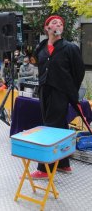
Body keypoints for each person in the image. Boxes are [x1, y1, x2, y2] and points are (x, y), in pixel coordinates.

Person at [29, 15, 85, 179]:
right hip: (45, 90)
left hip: (60, 92)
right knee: (59, 126)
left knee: (49, 127)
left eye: (60, 23)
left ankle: (44, 169)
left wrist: (70, 90)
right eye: (54, 22)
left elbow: (79, 72)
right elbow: (38, 64)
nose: (58, 24)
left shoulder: (70, 48)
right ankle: (63, 164)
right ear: (47, 28)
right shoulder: (41, 47)